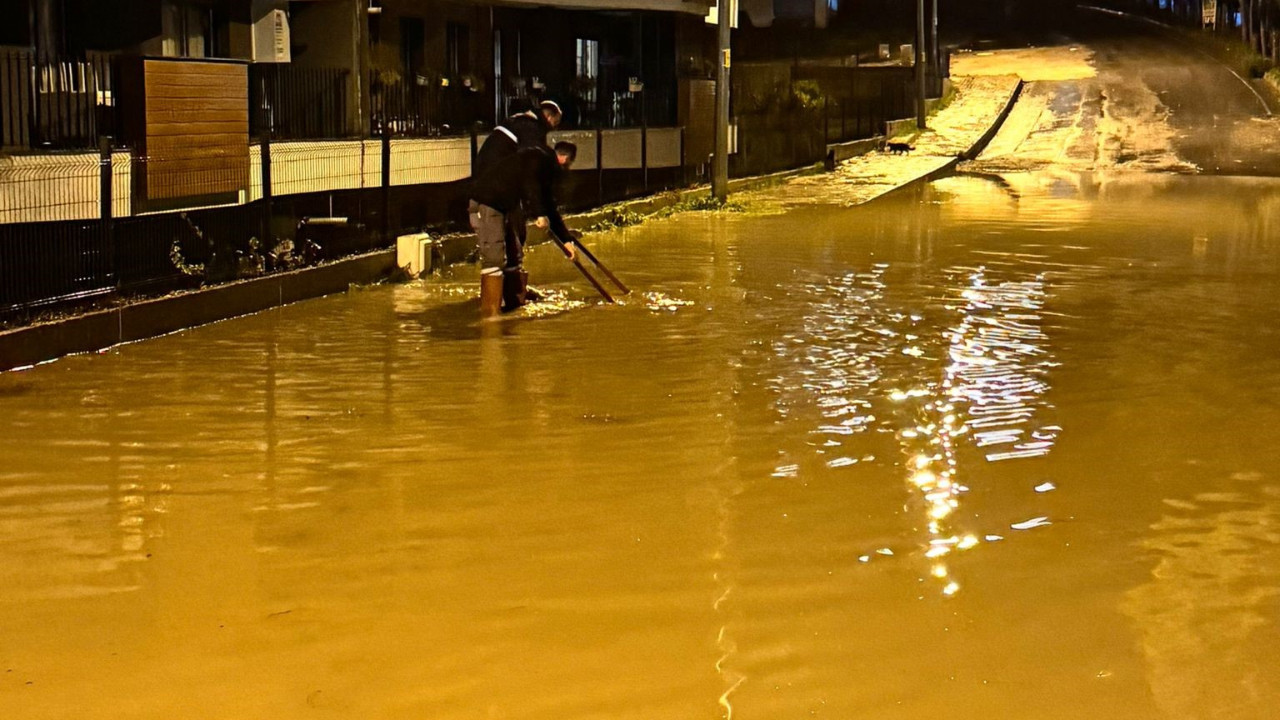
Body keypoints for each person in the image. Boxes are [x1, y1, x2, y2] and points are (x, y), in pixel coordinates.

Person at [469, 141, 579, 316]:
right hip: (488, 202)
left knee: (515, 255)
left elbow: (549, 205)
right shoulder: (538, 159)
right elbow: (532, 186)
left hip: (506, 204)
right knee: (494, 258)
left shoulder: (543, 164)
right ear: (564, 159)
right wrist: (539, 214)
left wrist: (566, 240)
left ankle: (513, 306)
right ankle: (490, 318)